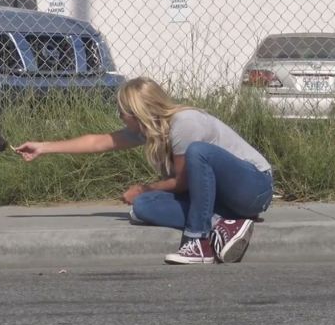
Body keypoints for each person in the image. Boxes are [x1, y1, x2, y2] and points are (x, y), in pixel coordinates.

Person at [15, 76, 273, 265]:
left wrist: (143, 187)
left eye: (122, 112)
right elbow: (98, 141)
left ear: (138, 113)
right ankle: (224, 223)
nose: (119, 117)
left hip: (254, 188)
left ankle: (199, 241)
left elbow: (182, 183)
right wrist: (44, 147)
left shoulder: (185, 123)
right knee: (143, 207)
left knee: (197, 153)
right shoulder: (151, 129)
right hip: (221, 200)